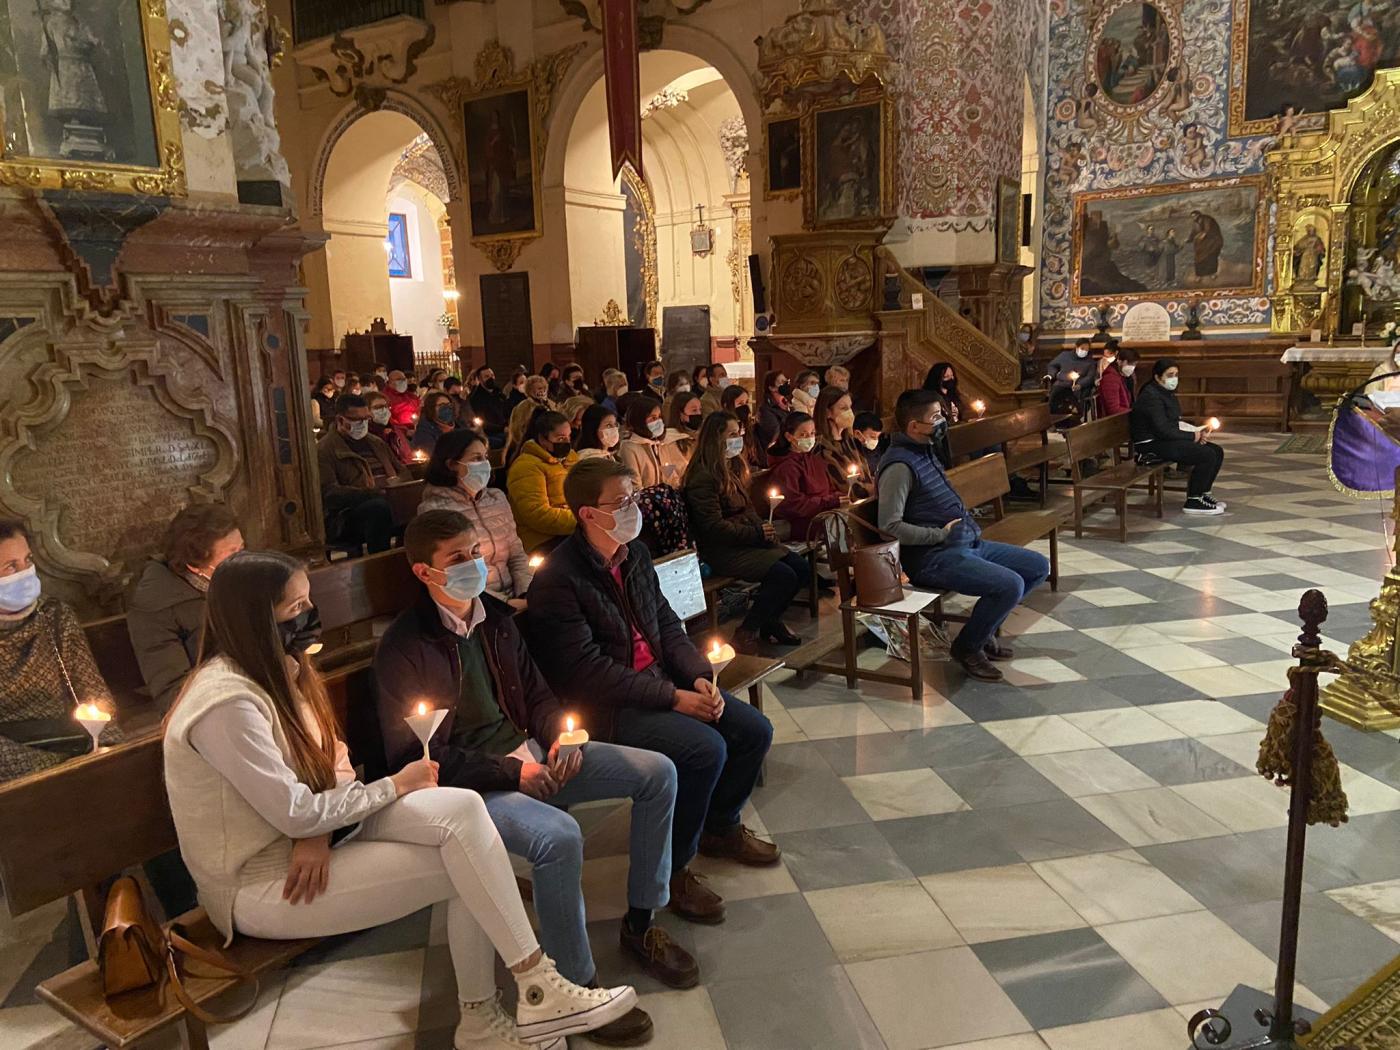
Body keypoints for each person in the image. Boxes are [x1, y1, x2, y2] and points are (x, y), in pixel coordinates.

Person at [162, 550, 635, 1050]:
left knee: (464, 812)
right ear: (254, 618)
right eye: (294, 606)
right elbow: (292, 811)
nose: (308, 614)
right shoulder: (225, 703)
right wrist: (392, 786)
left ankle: (530, 989)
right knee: (468, 865)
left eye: (309, 599)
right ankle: (508, 1004)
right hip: (263, 881)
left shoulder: (280, 669)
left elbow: (333, 758)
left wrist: (320, 830)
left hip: (319, 837)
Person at [374, 513, 694, 1044]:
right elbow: (414, 754)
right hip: (474, 788)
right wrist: (512, 772)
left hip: (533, 756)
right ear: (424, 572)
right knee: (558, 837)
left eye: (476, 551)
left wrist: (559, 740)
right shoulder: (405, 647)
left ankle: (640, 923)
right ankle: (575, 985)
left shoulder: (496, 619)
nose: (476, 564)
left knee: (657, 772)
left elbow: (539, 694)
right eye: (458, 558)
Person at [527, 459, 778, 928]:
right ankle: (676, 868)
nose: (634, 507)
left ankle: (720, 826)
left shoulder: (634, 553)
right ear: (587, 514)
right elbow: (586, 672)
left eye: (634, 496)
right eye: (621, 501)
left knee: (753, 730)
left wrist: (699, 676)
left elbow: (666, 622)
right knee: (704, 750)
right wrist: (672, 698)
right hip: (607, 707)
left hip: (662, 681)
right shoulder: (559, 579)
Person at [878, 390, 1050, 683]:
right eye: (935, 417)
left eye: (941, 414)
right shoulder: (899, 466)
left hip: (966, 544)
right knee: (1010, 584)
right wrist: (938, 534)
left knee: (1037, 566)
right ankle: (968, 648)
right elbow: (889, 525)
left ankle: (982, 633)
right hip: (933, 558)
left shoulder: (925, 450)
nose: (942, 421)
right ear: (913, 427)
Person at [0, 521, 120, 782]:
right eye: (11, 566)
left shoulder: (55, 615)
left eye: (28, 560)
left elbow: (94, 692)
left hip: (71, 741)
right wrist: (55, 769)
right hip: (11, 765)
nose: (25, 573)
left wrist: (108, 748)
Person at [682, 413, 807, 652]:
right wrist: (757, 533)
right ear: (715, 438)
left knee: (800, 567)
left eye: (738, 433)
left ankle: (770, 621)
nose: (738, 439)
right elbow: (713, 527)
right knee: (783, 576)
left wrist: (765, 530)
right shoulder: (703, 476)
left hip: (746, 540)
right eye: (731, 435)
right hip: (722, 549)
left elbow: (746, 507)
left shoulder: (730, 466)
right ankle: (746, 631)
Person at [128, 504, 244, 709]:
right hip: (213, 706)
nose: (242, 559)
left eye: (242, 548)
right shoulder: (157, 607)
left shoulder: (235, 579)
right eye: (232, 552)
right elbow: (173, 690)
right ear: (195, 565)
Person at [419, 430, 533, 608]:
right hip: (474, 602)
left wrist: (527, 592)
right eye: (476, 458)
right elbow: (457, 577)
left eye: (485, 457)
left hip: (516, 593)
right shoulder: (435, 511)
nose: (485, 464)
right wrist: (505, 604)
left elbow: (516, 553)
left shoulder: (497, 498)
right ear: (451, 464)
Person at [1130, 358, 1226, 515]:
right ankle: (1193, 501)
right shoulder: (1151, 396)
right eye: (1170, 375)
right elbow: (1161, 429)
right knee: (1205, 454)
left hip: (1163, 439)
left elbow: (1173, 422)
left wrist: (1195, 433)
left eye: (1176, 374)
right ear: (1157, 377)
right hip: (1150, 444)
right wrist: (1191, 437)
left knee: (1216, 451)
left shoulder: (1166, 393)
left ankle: (1203, 494)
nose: (1174, 378)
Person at [316, 394, 407, 554]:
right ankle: (381, 562)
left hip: (389, 497)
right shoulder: (325, 449)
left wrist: (399, 484)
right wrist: (371, 493)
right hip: (346, 514)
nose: (363, 424)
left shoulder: (376, 442)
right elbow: (329, 493)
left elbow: (402, 470)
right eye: (357, 420)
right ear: (341, 420)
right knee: (378, 509)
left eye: (366, 419)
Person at [506, 410, 580, 552]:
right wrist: (581, 520)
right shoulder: (526, 466)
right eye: (560, 438)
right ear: (543, 439)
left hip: (571, 530)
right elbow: (537, 514)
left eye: (568, 437)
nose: (566, 443)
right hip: (543, 540)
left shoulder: (571, 458)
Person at [768, 412, 845, 542]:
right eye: (803, 435)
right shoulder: (786, 468)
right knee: (842, 525)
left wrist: (839, 497)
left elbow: (829, 488)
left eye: (812, 433)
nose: (810, 438)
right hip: (802, 522)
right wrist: (829, 501)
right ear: (789, 436)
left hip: (822, 513)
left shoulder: (814, 459)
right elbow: (794, 505)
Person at [619, 398, 688, 489]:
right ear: (639, 420)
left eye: (660, 417)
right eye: (653, 418)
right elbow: (635, 485)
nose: (659, 422)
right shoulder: (629, 448)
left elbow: (669, 474)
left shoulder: (659, 444)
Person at [813, 385, 868, 496]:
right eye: (844, 408)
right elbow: (846, 488)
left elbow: (866, 474)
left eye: (850, 407)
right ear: (828, 412)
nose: (849, 412)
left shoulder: (850, 441)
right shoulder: (822, 449)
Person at [1045, 340, 1097, 410]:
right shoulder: (1064, 355)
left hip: (1078, 387)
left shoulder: (1090, 362)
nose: (1084, 351)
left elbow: (1090, 377)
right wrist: (1054, 374)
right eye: (1082, 348)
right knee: (1054, 398)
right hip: (1061, 384)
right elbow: (1052, 365)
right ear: (1077, 347)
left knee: (1079, 401)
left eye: (1086, 350)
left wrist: (1080, 384)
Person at [366, 391, 413, 466]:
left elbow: (407, 454)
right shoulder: (367, 434)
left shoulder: (395, 430)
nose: (384, 410)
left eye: (386, 406)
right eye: (378, 407)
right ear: (367, 411)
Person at [754, 369, 790, 453]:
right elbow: (774, 434)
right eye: (782, 382)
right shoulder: (765, 410)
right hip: (775, 452)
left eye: (786, 381)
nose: (786, 384)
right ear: (772, 388)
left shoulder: (788, 403)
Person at [413, 391, 458, 456]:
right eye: (441, 405)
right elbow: (433, 456)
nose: (446, 408)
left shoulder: (457, 426)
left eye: (449, 405)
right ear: (431, 408)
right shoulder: (423, 432)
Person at [1097, 346, 1139, 417]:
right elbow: (1113, 409)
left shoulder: (1125, 375)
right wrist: (1135, 413)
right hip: (1116, 420)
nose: (1132, 367)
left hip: (1125, 414)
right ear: (1119, 361)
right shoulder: (1110, 379)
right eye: (1130, 364)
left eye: (1134, 364)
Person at [665, 390, 703, 458]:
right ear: (680, 414)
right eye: (694, 410)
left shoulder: (703, 435)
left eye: (700, 409)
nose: (699, 413)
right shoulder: (671, 440)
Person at [852, 411, 885, 475]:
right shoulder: (852, 452)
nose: (876, 440)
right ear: (857, 434)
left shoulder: (879, 450)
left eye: (877, 437)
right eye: (872, 437)